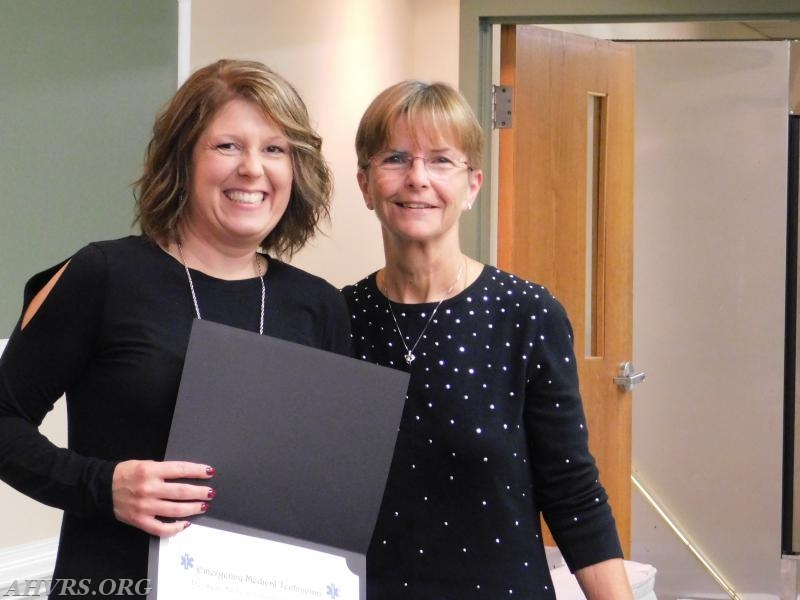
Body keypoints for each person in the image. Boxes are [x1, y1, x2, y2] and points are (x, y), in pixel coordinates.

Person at [0, 59, 351, 596]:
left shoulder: (318, 305)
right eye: (227, 146)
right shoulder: (103, 275)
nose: (253, 169)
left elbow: (330, 480)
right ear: (182, 160)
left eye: (275, 149)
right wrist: (103, 485)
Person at [342, 80, 634, 599]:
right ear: (365, 183)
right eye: (395, 158)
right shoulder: (338, 318)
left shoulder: (526, 315)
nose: (417, 179)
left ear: (473, 185)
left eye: (440, 161)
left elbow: (572, 491)